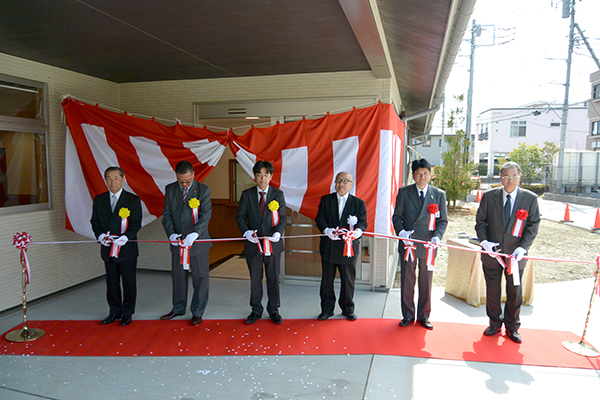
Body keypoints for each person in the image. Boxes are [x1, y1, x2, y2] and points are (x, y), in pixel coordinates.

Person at [475, 161, 540, 343]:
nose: (509, 180)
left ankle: (512, 326)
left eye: (513, 176)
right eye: (505, 176)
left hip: (515, 256)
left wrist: (523, 247)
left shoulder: (530, 199)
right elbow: (480, 222)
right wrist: (484, 242)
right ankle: (494, 323)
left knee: (514, 291)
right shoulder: (489, 197)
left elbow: (533, 226)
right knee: (492, 289)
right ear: (500, 178)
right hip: (492, 254)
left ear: (519, 177)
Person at [393, 158, 447, 330]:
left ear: (430, 175)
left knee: (426, 281)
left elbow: (443, 221)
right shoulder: (404, 192)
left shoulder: (439, 194)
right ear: (413, 176)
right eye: (418, 174)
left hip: (428, 245)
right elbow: (397, 217)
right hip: (409, 243)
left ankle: (424, 316)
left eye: (425, 173)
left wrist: (437, 237)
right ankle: (407, 315)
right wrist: (402, 233)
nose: (422, 177)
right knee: (407, 280)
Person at [160, 160, 212, 325]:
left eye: (188, 182)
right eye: (181, 181)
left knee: (200, 277)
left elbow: (206, 215)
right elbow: (166, 214)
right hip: (178, 242)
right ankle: (178, 308)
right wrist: (171, 234)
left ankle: (197, 311)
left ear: (194, 175)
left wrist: (195, 233)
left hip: (198, 242)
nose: (184, 185)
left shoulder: (203, 190)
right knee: (178, 276)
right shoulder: (170, 189)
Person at [236, 160, 286, 324]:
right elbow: (240, 217)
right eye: (259, 175)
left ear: (271, 176)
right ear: (255, 177)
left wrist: (278, 232)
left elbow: (283, 218)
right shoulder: (247, 194)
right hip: (253, 245)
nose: (262, 178)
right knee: (255, 279)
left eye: (266, 174)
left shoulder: (278, 194)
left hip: (273, 244)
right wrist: (246, 232)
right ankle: (256, 309)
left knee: (273, 278)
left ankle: (274, 309)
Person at [91, 166, 142, 326]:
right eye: (109, 178)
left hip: (126, 249)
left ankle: (127, 313)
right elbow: (95, 222)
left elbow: (135, 223)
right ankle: (114, 312)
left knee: (128, 282)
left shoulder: (132, 200)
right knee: (111, 283)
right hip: (108, 248)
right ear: (105, 180)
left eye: (116, 178)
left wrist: (125, 237)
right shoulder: (99, 200)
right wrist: (100, 236)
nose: (113, 182)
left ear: (123, 179)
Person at [314, 172, 367, 321]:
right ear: (334, 183)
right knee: (327, 280)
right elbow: (320, 218)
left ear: (351, 184)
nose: (341, 184)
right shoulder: (326, 200)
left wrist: (358, 231)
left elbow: (363, 222)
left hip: (348, 249)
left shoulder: (358, 203)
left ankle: (348, 309)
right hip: (329, 247)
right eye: (338, 180)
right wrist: (326, 230)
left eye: (345, 181)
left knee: (348, 280)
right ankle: (326, 309)